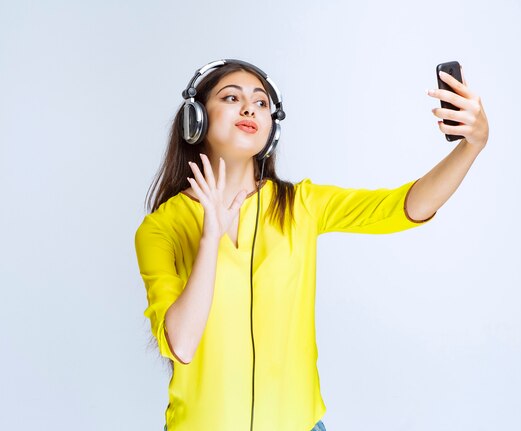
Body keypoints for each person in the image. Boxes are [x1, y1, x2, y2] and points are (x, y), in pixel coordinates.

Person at [134, 59, 489, 431]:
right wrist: (210, 238)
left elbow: (408, 206)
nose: (249, 109)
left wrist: (471, 147)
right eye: (231, 97)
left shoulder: (302, 204)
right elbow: (183, 345)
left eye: (260, 103)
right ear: (197, 120)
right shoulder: (160, 229)